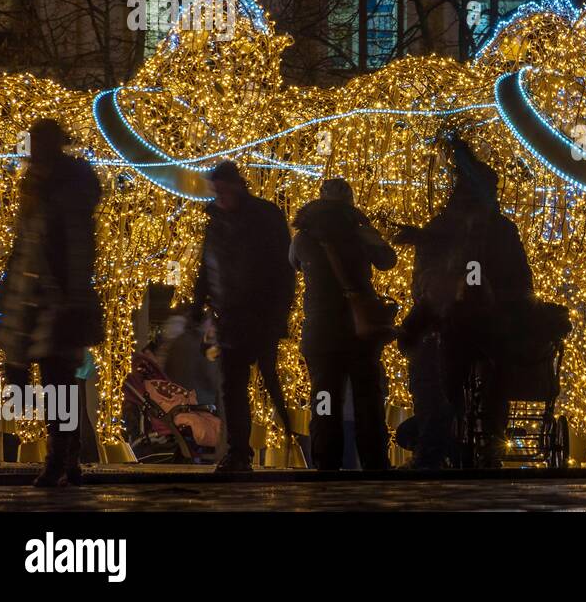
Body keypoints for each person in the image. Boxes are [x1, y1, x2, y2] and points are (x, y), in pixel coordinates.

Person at [401, 136, 533, 467]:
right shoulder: (489, 228)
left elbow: (427, 278)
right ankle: (478, 437)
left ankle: (463, 438)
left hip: (470, 322)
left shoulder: (462, 228)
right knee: (475, 374)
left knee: (460, 376)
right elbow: (518, 277)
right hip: (468, 322)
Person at [0, 119, 103, 488]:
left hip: (54, 300)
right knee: (54, 382)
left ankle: (62, 456)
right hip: (37, 300)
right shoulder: (45, 187)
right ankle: (66, 453)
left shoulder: (60, 190)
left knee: (58, 382)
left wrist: (67, 295)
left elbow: (68, 247)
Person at [190, 161, 296, 473]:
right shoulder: (218, 221)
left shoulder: (263, 216)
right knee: (233, 386)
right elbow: (206, 266)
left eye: (223, 189)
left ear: (237, 185)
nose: (219, 195)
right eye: (216, 190)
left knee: (265, 380)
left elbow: (282, 270)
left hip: (258, 314)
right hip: (231, 316)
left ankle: (283, 435)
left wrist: (278, 315)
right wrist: (199, 304)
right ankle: (239, 452)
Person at [290, 178, 397, 471]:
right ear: (350, 202)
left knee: (324, 397)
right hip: (358, 328)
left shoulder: (303, 237)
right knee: (368, 399)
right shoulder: (359, 231)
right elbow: (388, 260)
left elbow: (295, 264)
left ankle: (326, 461)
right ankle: (375, 462)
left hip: (321, 330)